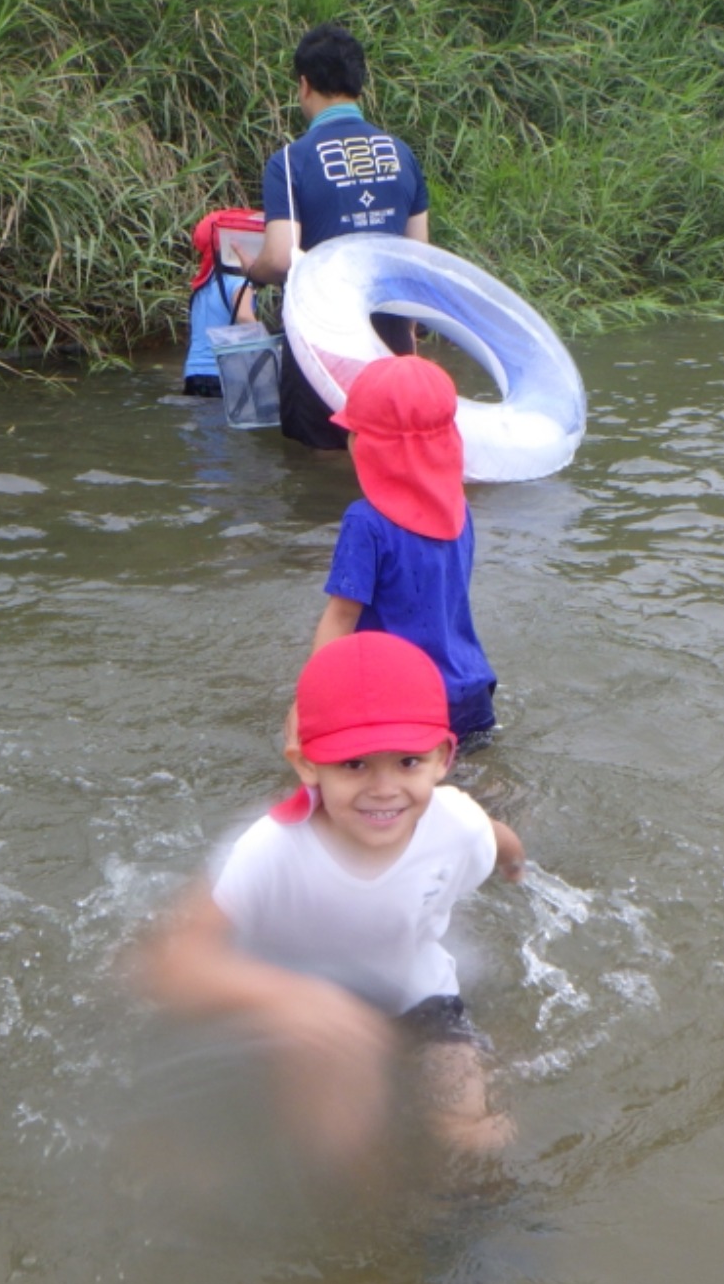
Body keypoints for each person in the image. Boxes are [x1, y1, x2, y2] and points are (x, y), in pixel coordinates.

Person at [137, 631, 525, 1189]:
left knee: (469, 1127)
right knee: (346, 1157)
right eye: (354, 765)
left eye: (408, 761)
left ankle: (473, 1236)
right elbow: (172, 965)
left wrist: (516, 869)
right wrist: (291, 1000)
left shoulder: (456, 823)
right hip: (301, 1001)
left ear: (443, 758)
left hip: (419, 991)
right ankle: (376, 1247)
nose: (384, 789)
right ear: (307, 765)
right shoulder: (272, 849)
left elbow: (499, 838)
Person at [243, 23, 430, 450]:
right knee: (386, 451)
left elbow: (282, 257)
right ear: (358, 82)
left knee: (317, 467)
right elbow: (418, 258)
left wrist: (252, 269)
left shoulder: (290, 161)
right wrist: (410, 341)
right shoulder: (402, 154)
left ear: (305, 85)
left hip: (321, 344)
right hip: (392, 337)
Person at [305, 354, 498, 744]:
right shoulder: (458, 507)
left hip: (400, 698)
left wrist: (310, 703)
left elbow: (341, 617)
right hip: (470, 686)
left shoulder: (366, 522)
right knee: (474, 795)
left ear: (366, 444)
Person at [182, 208, 259, 397]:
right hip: (222, 374)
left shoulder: (203, 286)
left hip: (193, 373)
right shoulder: (240, 284)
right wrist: (269, 346)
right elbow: (244, 317)